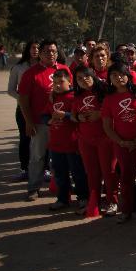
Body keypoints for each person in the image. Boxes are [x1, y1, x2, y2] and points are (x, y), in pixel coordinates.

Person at [101, 62, 136, 223]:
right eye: (114, 75)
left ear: (128, 76)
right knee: (126, 176)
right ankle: (126, 210)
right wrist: (121, 142)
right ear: (109, 79)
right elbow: (107, 126)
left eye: (121, 74)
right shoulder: (109, 98)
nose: (118, 78)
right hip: (122, 144)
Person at [18, 40, 71, 201]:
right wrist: (28, 121)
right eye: (47, 51)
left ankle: (64, 189)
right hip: (40, 123)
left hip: (63, 122)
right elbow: (23, 100)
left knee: (63, 157)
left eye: (54, 51)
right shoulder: (30, 73)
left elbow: (72, 94)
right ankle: (33, 187)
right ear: (39, 53)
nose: (51, 54)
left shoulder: (64, 69)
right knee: (38, 156)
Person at [72, 64, 118, 217]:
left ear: (92, 76)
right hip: (85, 139)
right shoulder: (78, 95)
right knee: (92, 173)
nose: (84, 80)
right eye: (79, 78)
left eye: (86, 76)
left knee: (108, 171)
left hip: (105, 138)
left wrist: (99, 113)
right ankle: (94, 201)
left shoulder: (105, 91)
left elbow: (115, 108)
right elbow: (72, 115)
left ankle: (113, 201)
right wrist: (78, 117)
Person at [47, 69, 89, 212]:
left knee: (78, 172)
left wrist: (64, 115)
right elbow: (48, 115)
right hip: (56, 143)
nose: (57, 85)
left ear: (70, 82)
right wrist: (49, 120)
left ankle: (83, 197)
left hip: (72, 143)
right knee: (59, 173)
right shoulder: (53, 97)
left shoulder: (74, 97)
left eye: (61, 82)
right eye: (55, 83)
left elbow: (78, 116)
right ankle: (63, 198)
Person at [8, 41, 40, 181]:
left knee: (42, 140)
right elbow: (10, 89)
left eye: (38, 48)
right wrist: (23, 99)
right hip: (23, 109)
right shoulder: (18, 68)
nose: (36, 50)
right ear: (27, 49)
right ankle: (25, 169)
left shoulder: (44, 67)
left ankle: (44, 169)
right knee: (25, 139)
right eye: (33, 47)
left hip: (41, 109)